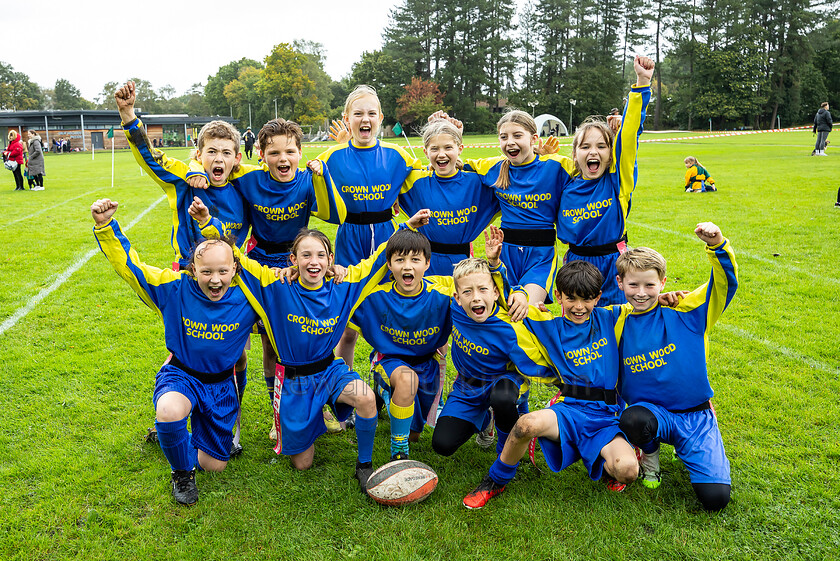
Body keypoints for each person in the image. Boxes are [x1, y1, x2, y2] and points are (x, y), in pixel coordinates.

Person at [193, 197, 431, 491]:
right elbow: (236, 257)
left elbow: (379, 260)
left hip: (331, 372)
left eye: (321, 255)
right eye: (305, 255)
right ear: (293, 260)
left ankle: (364, 466)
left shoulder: (344, 285)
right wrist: (207, 223)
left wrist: (406, 226)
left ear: (331, 260)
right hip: (294, 383)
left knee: (366, 398)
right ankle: (308, 419)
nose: (313, 262)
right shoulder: (275, 285)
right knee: (302, 463)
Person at [91, 198, 264, 506]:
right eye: (206, 271)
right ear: (192, 268)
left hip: (222, 385)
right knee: (169, 411)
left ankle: (170, 437)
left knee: (215, 466)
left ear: (235, 268)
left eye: (223, 271)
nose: (215, 279)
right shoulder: (175, 288)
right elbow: (133, 269)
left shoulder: (250, 296)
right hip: (182, 374)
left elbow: (289, 297)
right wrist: (107, 227)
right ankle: (181, 473)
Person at [115, 80, 250, 451]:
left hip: (232, 279)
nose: (218, 159)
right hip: (187, 279)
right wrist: (129, 114)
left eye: (226, 152)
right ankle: (169, 419)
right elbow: (150, 156)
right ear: (199, 153)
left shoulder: (247, 187)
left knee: (235, 353)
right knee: (182, 349)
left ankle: (230, 423)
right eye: (211, 152)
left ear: (237, 158)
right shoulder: (185, 182)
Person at [188, 118, 346, 434]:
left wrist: (322, 178)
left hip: (299, 266)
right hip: (260, 267)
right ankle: (276, 415)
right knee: (270, 345)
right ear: (260, 154)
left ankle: (318, 405)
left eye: (290, 151)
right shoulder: (248, 179)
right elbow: (210, 158)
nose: (282, 159)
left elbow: (336, 215)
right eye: (274, 153)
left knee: (310, 336)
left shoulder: (307, 179)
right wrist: (193, 166)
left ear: (300, 153)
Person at [462, 259, 641, 509]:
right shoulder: (548, 325)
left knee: (628, 471)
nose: (579, 307)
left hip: (606, 416)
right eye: (571, 299)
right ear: (557, 296)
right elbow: (505, 301)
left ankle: (612, 458)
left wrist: (668, 298)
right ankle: (496, 479)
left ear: (599, 296)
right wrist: (495, 267)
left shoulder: (611, 317)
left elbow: (644, 306)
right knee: (526, 425)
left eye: (587, 299)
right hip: (569, 410)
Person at [616, 222, 737, 512]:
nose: (641, 293)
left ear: (663, 283)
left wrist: (717, 245)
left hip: (695, 417)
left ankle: (705, 451)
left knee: (715, 499)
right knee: (633, 418)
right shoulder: (616, 321)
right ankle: (650, 457)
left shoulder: (686, 311)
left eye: (650, 285)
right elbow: (576, 324)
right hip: (652, 415)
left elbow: (723, 286)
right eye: (633, 284)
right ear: (620, 283)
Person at [317, 85, 423, 371]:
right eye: (358, 114)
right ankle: (343, 389)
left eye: (372, 113)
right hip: (350, 237)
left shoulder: (398, 155)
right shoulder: (331, 157)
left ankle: (391, 374)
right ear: (347, 118)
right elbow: (312, 193)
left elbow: (426, 182)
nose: (366, 119)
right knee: (347, 320)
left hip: (388, 236)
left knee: (394, 310)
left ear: (381, 117)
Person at [551, 56, 654, 307]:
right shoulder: (564, 181)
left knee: (616, 327)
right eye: (585, 146)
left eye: (601, 146)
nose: (593, 152)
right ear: (575, 154)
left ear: (611, 155)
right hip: (576, 264)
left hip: (613, 264)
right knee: (578, 324)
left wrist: (641, 83)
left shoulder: (617, 182)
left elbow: (629, 138)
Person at [347, 229, 455, 460]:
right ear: (388, 264)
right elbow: (336, 297)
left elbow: (480, 287)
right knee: (407, 381)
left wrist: (515, 293)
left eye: (415, 259)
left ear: (427, 263)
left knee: (415, 433)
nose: (407, 267)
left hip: (428, 365)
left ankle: (390, 400)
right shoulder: (374, 297)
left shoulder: (443, 291)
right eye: (399, 260)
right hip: (390, 362)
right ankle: (398, 452)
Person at [431, 229, 537, 463]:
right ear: (457, 298)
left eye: (482, 290)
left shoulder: (510, 324)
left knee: (501, 397)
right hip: (467, 387)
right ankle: (484, 420)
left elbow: (544, 350)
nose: (476, 298)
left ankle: (506, 448)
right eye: (467, 292)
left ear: (495, 292)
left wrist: (496, 264)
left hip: (505, 383)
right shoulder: (455, 309)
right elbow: (421, 283)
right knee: (442, 444)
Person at [463, 111, 576, 306]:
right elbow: (456, 165)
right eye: (503, 137)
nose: (510, 142)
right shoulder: (493, 168)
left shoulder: (556, 166)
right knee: (503, 312)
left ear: (533, 138)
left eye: (517, 135)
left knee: (526, 309)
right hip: (504, 253)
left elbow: (595, 169)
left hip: (541, 255)